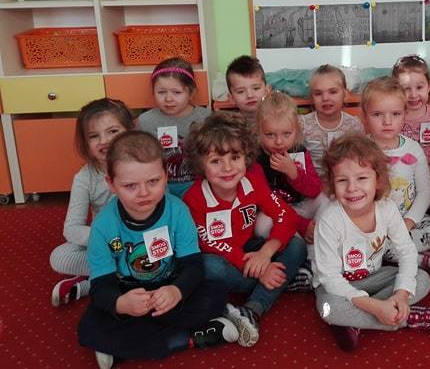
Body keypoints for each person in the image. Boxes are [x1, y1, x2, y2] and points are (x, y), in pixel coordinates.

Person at [77, 131, 238, 368]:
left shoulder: (178, 210)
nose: (144, 193)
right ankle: (189, 338)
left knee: (215, 293)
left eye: (153, 181)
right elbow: (101, 285)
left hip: (170, 287)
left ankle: (129, 347)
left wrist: (176, 291)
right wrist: (121, 303)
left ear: (165, 177)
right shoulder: (103, 226)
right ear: (111, 184)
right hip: (129, 293)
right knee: (89, 328)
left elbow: (193, 266)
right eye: (130, 186)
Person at [183, 112, 306, 347]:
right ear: (201, 165)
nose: (227, 168)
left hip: (250, 248)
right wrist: (260, 270)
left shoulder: (253, 180)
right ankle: (281, 283)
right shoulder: (194, 198)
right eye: (216, 161)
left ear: (246, 157)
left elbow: (286, 216)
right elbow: (208, 243)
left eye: (235, 157)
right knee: (207, 267)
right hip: (222, 257)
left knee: (297, 244)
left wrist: (266, 253)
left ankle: (252, 308)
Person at [313, 134, 430, 352]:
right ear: (332, 184)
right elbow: (329, 278)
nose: (352, 188)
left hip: (373, 276)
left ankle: (361, 320)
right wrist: (374, 306)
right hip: (335, 288)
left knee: (422, 279)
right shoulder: (329, 219)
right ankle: (404, 319)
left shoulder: (386, 208)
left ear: (378, 180)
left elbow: (406, 252)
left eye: (362, 178)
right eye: (342, 180)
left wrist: (401, 294)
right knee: (327, 309)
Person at [50, 98, 134, 307]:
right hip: (109, 244)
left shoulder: (144, 164)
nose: (104, 141)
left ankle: (95, 282)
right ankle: (120, 275)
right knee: (60, 257)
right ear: (85, 143)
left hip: (142, 240)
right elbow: (71, 229)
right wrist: (112, 241)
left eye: (113, 131)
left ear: (130, 131)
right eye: (94, 136)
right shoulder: (84, 178)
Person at [360, 77, 430, 271]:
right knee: (362, 239)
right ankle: (414, 259)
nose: (387, 121)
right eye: (377, 114)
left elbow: (425, 191)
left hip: (407, 218)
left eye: (395, 114)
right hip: (374, 221)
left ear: (404, 114)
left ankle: (392, 253)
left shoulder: (413, 148)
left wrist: (408, 222)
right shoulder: (360, 150)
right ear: (364, 116)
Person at [255, 91, 325, 244]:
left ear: (296, 130)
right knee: (261, 224)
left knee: (327, 197)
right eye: (270, 135)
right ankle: (298, 243)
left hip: (303, 205)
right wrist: (301, 224)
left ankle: (317, 239)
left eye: (287, 134)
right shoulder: (257, 160)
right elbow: (264, 203)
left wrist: (294, 173)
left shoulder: (299, 151)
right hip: (276, 213)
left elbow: (315, 190)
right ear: (259, 132)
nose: (279, 142)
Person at [137, 57, 211, 198]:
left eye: (176, 92)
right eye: (161, 92)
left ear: (191, 92)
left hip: (199, 184)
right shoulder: (145, 121)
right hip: (159, 187)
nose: (168, 99)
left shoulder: (206, 118)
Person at [392, 54, 430, 212]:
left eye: (419, 87)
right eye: (406, 89)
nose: (413, 95)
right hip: (402, 178)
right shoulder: (394, 116)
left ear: (429, 86)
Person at [300, 64, 364, 179]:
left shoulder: (354, 125)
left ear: (345, 95)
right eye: (318, 93)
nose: (325, 98)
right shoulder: (302, 124)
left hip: (345, 182)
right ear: (312, 98)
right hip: (312, 183)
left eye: (333, 92)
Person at [225, 55, 271, 123]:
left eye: (256, 88)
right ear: (231, 98)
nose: (250, 95)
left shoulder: (279, 118)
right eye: (241, 91)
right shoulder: (229, 125)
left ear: (267, 90)